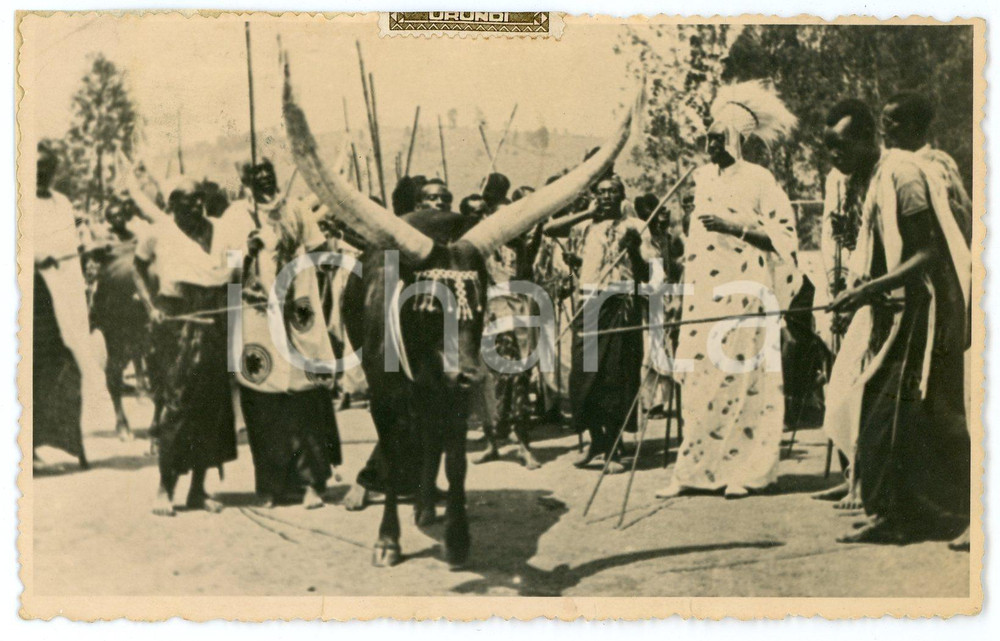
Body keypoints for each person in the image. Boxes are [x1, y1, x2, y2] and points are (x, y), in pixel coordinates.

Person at [821, 99, 971, 545]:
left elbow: (928, 254)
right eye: (828, 148)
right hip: (901, 305)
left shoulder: (903, 174)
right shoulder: (876, 177)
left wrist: (869, 291)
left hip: (930, 306)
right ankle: (899, 514)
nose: (835, 157)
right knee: (885, 412)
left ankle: (964, 514)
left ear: (870, 139)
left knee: (930, 414)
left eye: (842, 146)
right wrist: (865, 290)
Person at [656, 81, 801, 499]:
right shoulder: (700, 178)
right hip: (703, 291)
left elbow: (783, 236)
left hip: (745, 291)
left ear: (737, 138)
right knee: (699, 377)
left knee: (741, 376)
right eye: (707, 136)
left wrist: (733, 227)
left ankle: (744, 470)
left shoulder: (759, 179)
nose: (710, 144)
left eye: (718, 137)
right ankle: (693, 472)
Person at [125, 172, 238, 517]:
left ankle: (198, 490)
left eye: (199, 199)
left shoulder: (221, 228)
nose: (196, 205)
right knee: (177, 404)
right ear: (172, 204)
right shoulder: (159, 231)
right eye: (187, 201)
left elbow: (235, 272)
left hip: (215, 314)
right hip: (177, 320)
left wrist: (240, 290)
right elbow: (137, 268)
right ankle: (165, 487)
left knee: (213, 403)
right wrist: (152, 307)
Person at [236, 194, 343, 509]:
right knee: (263, 402)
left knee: (306, 399)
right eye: (256, 174)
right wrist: (247, 253)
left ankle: (313, 483)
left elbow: (323, 254)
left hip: (299, 313)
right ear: (246, 180)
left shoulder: (297, 210)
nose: (264, 180)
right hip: (256, 318)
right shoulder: (236, 216)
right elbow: (224, 268)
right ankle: (274, 486)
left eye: (269, 172)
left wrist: (295, 253)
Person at [548, 175, 654, 474]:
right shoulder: (583, 227)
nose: (607, 197)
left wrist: (633, 250)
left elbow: (645, 275)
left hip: (621, 304)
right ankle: (596, 443)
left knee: (615, 376)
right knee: (584, 375)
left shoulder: (635, 227)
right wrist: (586, 212)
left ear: (622, 196)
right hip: (589, 304)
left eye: (613, 192)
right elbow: (548, 229)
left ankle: (613, 448)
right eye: (602, 192)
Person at [32, 142, 117, 465]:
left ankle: (70, 442)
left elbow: (71, 250)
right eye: (36, 168)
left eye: (47, 169)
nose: (42, 174)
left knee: (66, 369)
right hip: (31, 298)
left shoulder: (63, 203)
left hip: (64, 300)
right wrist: (36, 257)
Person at [881, 92, 973, 245]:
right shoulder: (892, 164)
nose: (884, 131)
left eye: (888, 123)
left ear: (910, 125)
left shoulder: (938, 164)